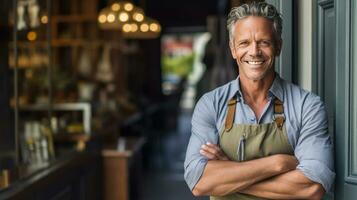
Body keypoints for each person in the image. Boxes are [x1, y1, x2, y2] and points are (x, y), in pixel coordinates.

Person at [184, 2, 335, 200]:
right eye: (244, 43)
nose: (254, 52)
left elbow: (312, 188)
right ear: (233, 49)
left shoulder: (307, 106)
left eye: (264, 42)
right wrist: (278, 163)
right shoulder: (211, 104)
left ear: (278, 46)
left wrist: (229, 173)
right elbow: (198, 182)